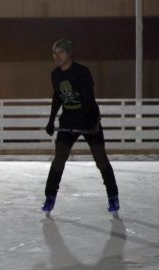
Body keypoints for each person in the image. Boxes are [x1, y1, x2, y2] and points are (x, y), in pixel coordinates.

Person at [43, 39, 119, 214]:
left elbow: (88, 100)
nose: (57, 56)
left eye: (60, 52)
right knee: (59, 159)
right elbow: (57, 97)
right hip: (68, 121)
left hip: (88, 120)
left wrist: (92, 123)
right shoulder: (55, 74)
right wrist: (51, 119)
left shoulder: (82, 72)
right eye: (54, 53)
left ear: (68, 53)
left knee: (100, 160)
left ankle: (113, 196)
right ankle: (49, 197)